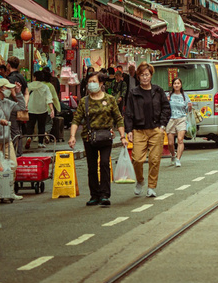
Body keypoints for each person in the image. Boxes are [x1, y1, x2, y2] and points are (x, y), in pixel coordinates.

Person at [69, 72, 127, 206]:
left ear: (101, 83)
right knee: (92, 166)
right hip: (89, 137)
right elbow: (77, 119)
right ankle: (94, 195)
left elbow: (118, 118)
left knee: (105, 164)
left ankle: (105, 194)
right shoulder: (85, 101)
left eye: (94, 81)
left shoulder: (110, 99)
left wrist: (122, 136)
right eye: (89, 81)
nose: (91, 84)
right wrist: (72, 136)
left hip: (106, 136)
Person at [124, 62, 171, 198]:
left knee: (155, 160)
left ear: (151, 76)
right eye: (142, 75)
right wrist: (129, 131)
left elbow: (166, 108)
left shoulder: (158, 91)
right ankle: (140, 180)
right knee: (137, 159)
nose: (144, 77)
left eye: (147, 75)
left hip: (156, 129)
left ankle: (151, 186)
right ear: (138, 77)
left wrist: (162, 125)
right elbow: (129, 113)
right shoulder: (133, 93)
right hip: (139, 130)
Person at [166, 77, 192, 167]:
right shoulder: (169, 95)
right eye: (175, 83)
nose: (176, 85)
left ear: (181, 85)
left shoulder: (185, 96)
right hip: (171, 119)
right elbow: (165, 107)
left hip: (182, 119)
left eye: (178, 83)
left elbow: (188, 110)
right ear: (172, 85)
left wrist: (189, 107)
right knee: (170, 143)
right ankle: (173, 155)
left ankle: (178, 159)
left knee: (180, 140)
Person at [25, 71, 55, 148]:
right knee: (41, 126)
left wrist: (25, 106)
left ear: (35, 77)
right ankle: (40, 143)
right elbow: (49, 99)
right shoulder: (45, 87)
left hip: (31, 109)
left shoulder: (29, 85)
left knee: (30, 125)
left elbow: (25, 96)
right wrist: (52, 110)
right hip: (42, 109)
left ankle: (29, 137)